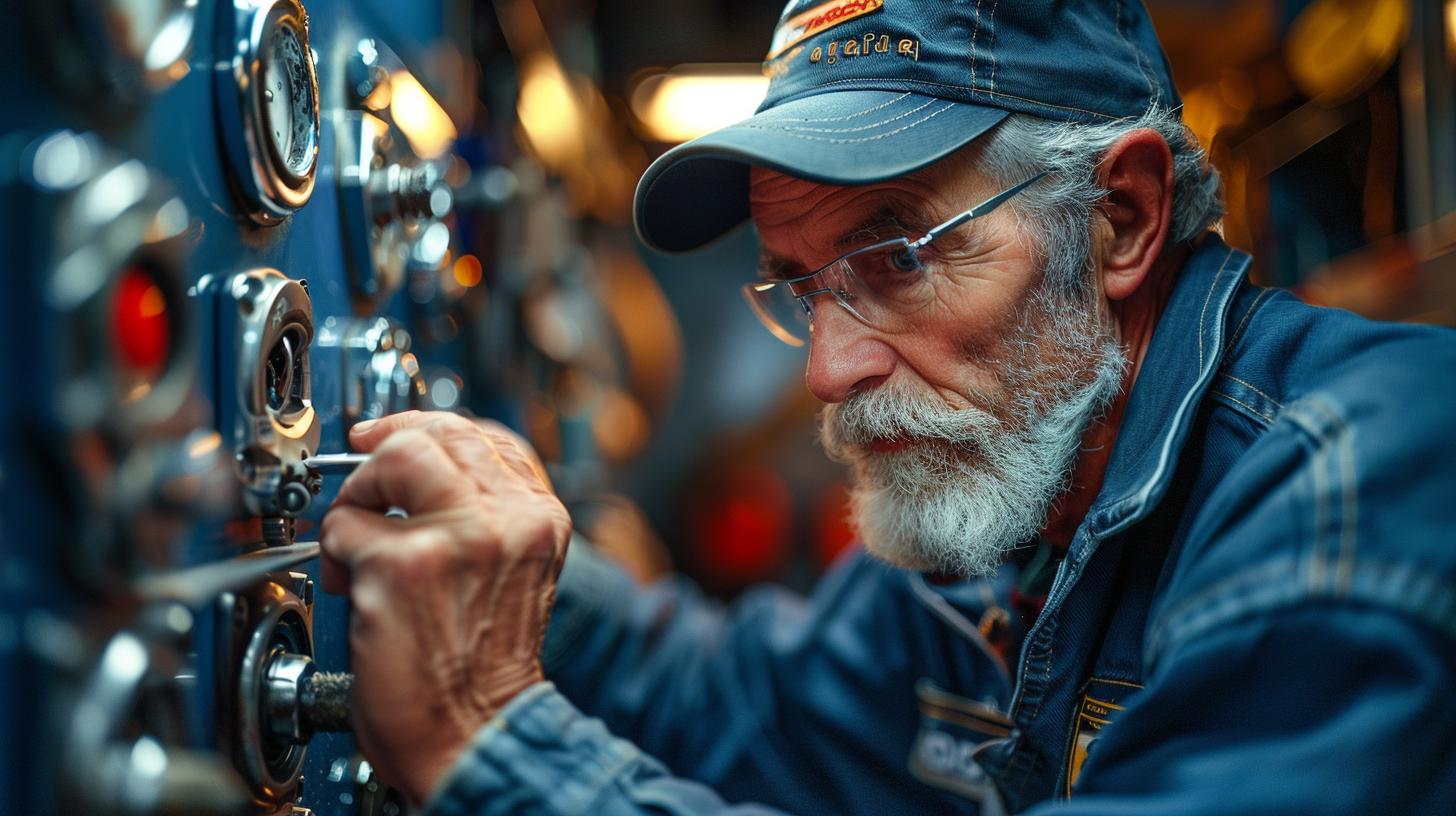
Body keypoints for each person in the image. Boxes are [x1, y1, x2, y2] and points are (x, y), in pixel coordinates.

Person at [319, 1, 1456, 813]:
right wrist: (496, 561)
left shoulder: (1355, 476)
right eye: (804, 285)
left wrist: (495, 742)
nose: (827, 370)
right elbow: (748, 707)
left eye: (899, 258)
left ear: (1121, 218)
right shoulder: (1011, 499)